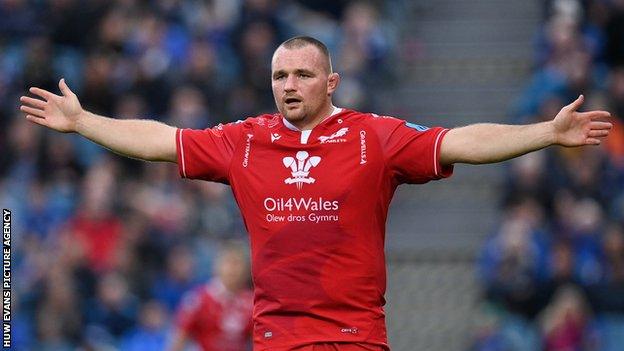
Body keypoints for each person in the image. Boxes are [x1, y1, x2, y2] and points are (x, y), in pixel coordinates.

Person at [20, 36, 612, 351]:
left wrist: (545, 134)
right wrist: (84, 122)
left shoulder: (374, 137)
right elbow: (160, 140)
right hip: (278, 338)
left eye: (303, 74)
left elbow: (461, 141)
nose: (289, 85)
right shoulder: (244, 141)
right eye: (280, 75)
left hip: (356, 338)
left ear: (331, 81)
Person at [169, 242, 253, 351]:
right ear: (217, 266)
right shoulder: (198, 299)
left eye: (237, 264)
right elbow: (179, 338)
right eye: (228, 263)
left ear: (246, 270)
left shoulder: (252, 302)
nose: (233, 269)